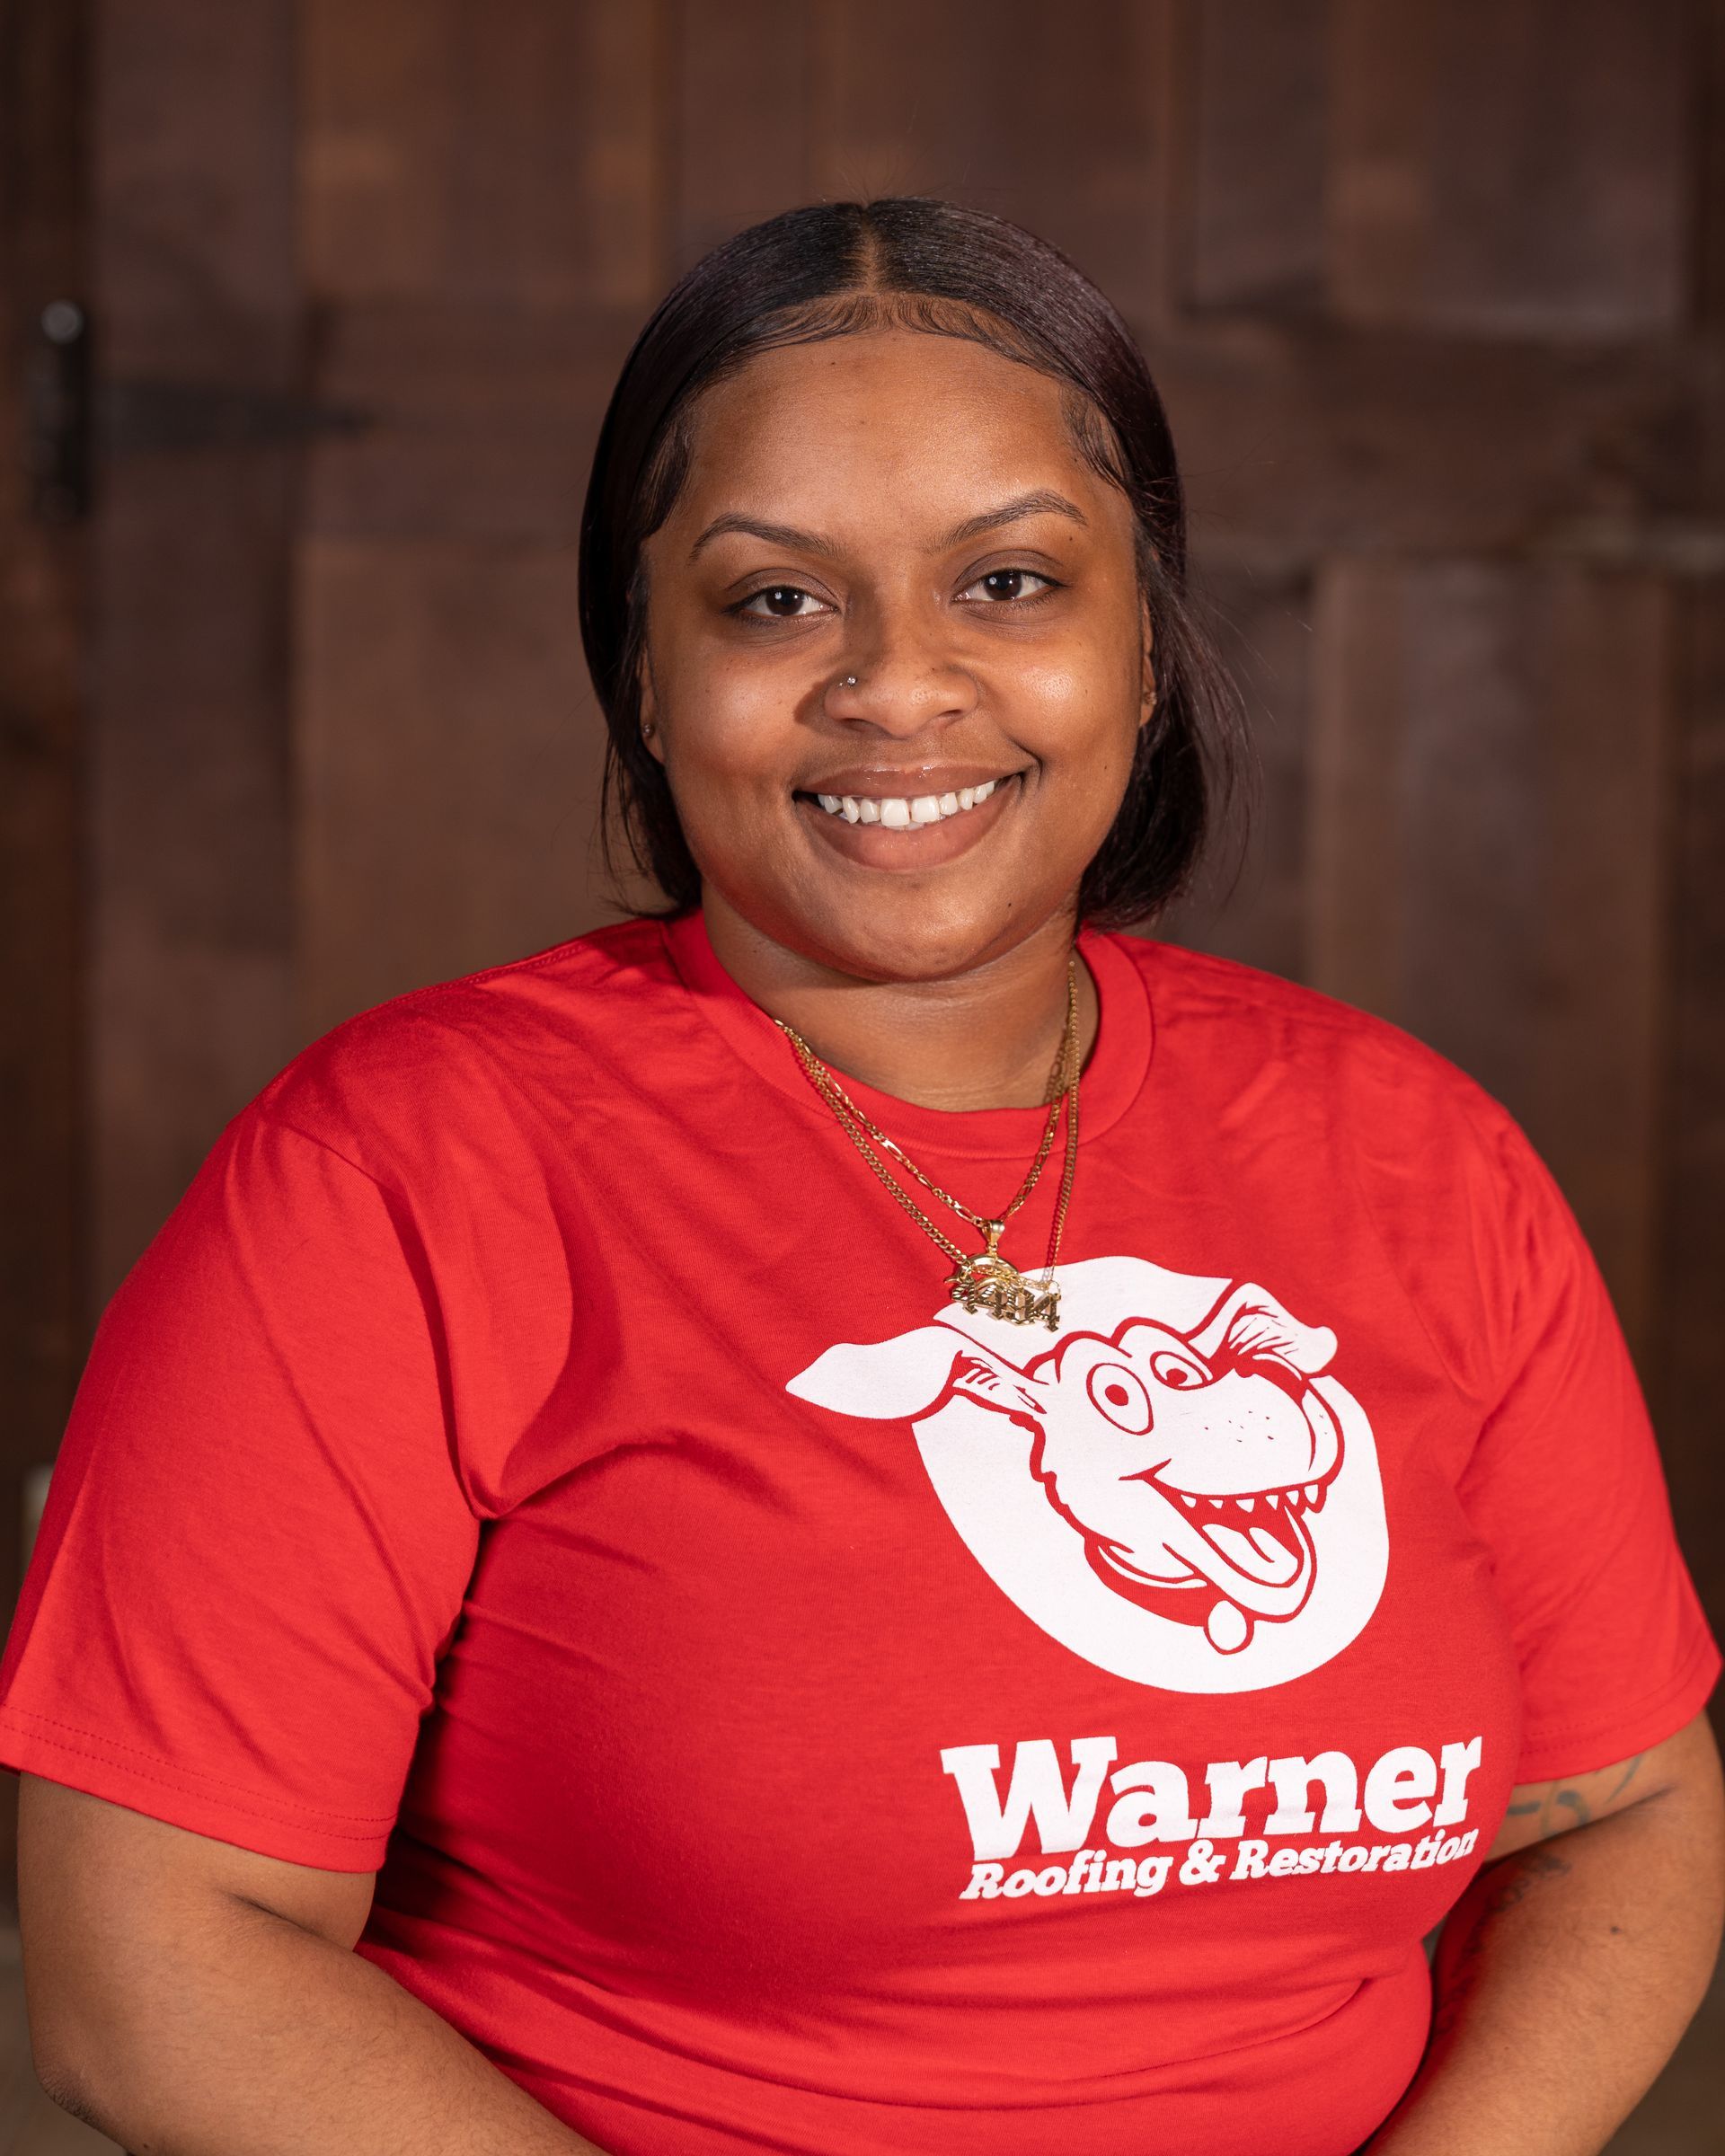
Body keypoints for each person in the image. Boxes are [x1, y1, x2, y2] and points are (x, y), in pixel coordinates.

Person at [4, 198, 1721, 2156]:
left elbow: (1629, 1809)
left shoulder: (1415, 1153)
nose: (900, 688)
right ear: (646, 684)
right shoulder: (400, 1175)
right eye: (774, 601)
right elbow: (150, 1965)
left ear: (1142, 652)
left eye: (1007, 584)